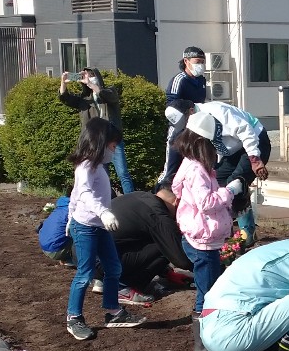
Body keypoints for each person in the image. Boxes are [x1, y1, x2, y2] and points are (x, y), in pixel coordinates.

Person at [65, 117, 145, 341]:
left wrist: (75, 215)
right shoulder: (85, 167)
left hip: (99, 227)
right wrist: (100, 213)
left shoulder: (97, 166)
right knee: (85, 274)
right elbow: (83, 193)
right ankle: (73, 317)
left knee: (113, 268)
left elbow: (75, 194)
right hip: (86, 227)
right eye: (112, 145)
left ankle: (113, 311)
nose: (114, 150)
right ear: (100, 142)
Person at [168, 99, 271, 246]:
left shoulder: (217, 112)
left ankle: (247, 233)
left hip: (255, 140)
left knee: (236, 182)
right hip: (232, 150)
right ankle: (224, 231)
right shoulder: (195, 121)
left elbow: (246, 130)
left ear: (191, 111)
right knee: (217, 184)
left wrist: (255, 159)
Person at [172, 111, 236, 315]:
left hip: (199, 234)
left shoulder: (188, 163)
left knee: (206, 284)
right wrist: (229, 191)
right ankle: (204, 324)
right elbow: (206, 203)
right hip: (203, 240)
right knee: (208, 290)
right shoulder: (197, 170)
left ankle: (205, 319)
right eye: (212, 146)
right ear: (202, 144)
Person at [109, 185, 193, 298]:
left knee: (160, 240)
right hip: (107, 262)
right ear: (177, 202)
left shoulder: (140, 196)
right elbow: (182, 260)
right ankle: (122, 286)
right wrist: (207, 267)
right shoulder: (158, 213)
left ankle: (107, 279)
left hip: (92, 258)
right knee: (166, 245)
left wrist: (166, 272)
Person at [59, 69, 132, 197]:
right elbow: (66, 99)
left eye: (91, 75)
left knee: (123, 173)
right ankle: (109, 200)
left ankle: (131, 199)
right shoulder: (84, 99)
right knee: (103, 174)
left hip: (113, 139)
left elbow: (108, 96)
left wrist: (91, 84)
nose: (88, 78)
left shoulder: (110, 91)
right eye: (85, 76)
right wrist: (63, 83)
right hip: (97, 142)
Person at [159, 46, 209, 183]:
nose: (201, 65)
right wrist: (189, 106)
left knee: (196, 168)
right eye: (197, 62)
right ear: (186, 61)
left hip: (197, 128)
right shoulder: (179, 79)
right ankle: (162, 189)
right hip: (179, 128)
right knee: (171, 169)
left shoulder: (202, 80)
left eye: (202, 62)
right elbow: (171, 104)